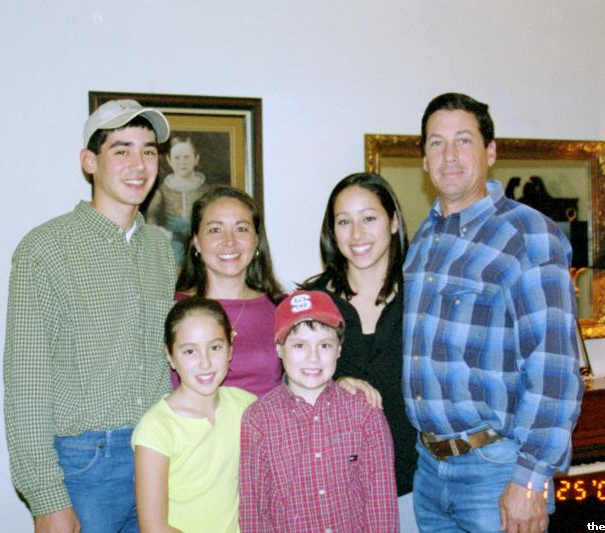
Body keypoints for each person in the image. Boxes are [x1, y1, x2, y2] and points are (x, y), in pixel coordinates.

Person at [403, 92, 583, 533]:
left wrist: (530, 479)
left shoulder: (527, 234)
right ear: (424, 160)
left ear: (491, 152)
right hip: (430, 470)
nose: (449, 155)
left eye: (464, 141)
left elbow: (554, 367)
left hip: (497, 473)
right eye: (436, 143)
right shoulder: (424, 241)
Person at [3, 99, 175, 533]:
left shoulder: (160, 248)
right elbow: (26, 381)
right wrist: (45, 497)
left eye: (148, 150)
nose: (139, 164)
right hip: (87, 464)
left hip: (160, 452)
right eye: (121, 150)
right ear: (89, 161)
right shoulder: (45, 248)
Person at [301, 172, 419, 531]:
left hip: (417, 489)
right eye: (343, 222)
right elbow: (288, 393)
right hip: (335, 494)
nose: (357, 234)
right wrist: (333, 385)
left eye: (369, 218)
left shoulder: (422, 297)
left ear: (394, 222)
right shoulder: (311, 304)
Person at [239, 290, 398, 532]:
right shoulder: (258, 419)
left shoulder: (365, 411)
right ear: (279, 349)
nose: (313, 358)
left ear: (339, 349)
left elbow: (381, 503)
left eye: (324, 345)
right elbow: (254, 510)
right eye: (299, 345)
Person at [133, 297, 256, 533]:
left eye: (215, 347)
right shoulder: (156, 428)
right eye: (190, 351)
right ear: (170, 355)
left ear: (230, 347)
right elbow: (154, 527)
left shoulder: (246, 406)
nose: (205, 362)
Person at [175, 185, 284, 396]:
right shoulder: (172, 307)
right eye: (215, 230)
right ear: (196, 242)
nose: (229, 241)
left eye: (241, 229)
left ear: (256, 240)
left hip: (269, 418)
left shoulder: (282, 308)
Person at [146, 136, 209, 264]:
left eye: (187, 157)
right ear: (169, 161)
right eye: (177, 158)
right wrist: (161, 233)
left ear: (196, 159)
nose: (182, 162)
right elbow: (152, 217)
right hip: (172, 238)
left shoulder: (206, 191)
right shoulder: (161, 191)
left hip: (200, 236)